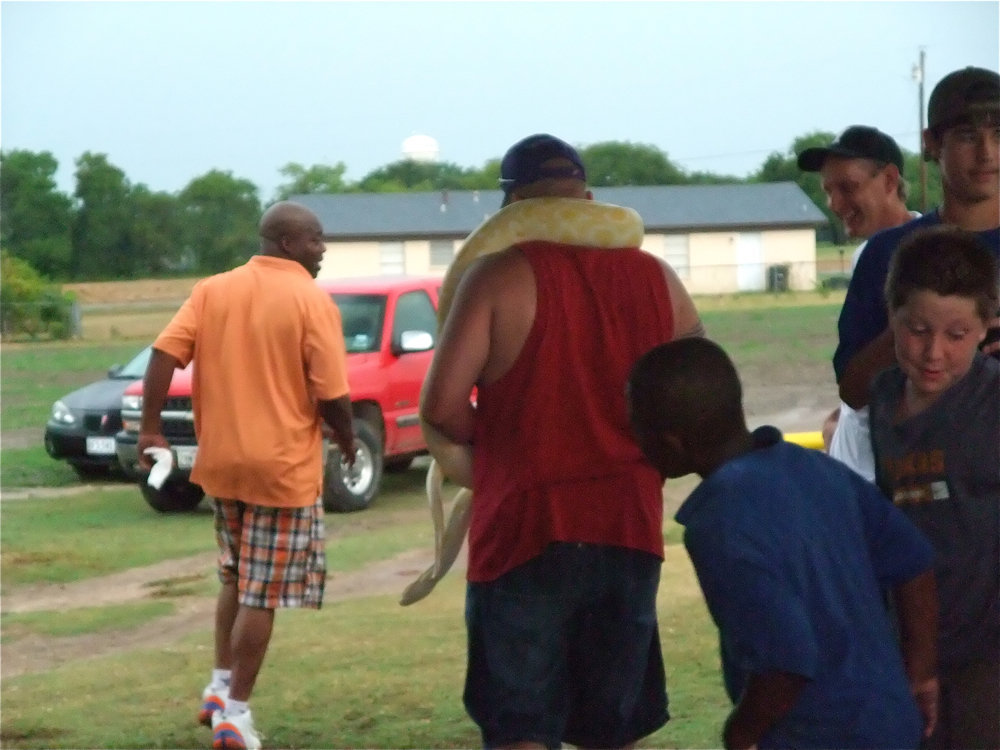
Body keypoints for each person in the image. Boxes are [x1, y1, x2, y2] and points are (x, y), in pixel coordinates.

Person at [419, 133, 704, 749]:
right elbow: (697, 392)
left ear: (511, 204)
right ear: (589, 198)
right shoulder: (658, 278)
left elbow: (440, 407)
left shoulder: (496, 275)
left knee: (522, 725)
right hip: (627, 526)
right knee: (611, 726)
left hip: (525, 527)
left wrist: (503, 446)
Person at [626, 337, 939, 750]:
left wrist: (741, 733)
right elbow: (914, 560)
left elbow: (786, 660)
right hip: (890, 721)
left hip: (817, 735)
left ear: (671, 443)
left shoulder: (719, 525)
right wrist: (920, 673)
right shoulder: (813, 468)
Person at [137, 201, 356, 750]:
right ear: (287, 243)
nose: (322, 247)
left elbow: (164, 353)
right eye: (315, 238)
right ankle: (235, 714)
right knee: (262, 594)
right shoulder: (311, 299)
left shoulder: (213, 289)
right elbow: (332, 393)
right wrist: (349, 438)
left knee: (235, 579)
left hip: (223, 464)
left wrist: (150, 430)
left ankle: (216, 688)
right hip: (281, 469)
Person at [868, 226, 1000, 749]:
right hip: (907, 640)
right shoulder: (881, 398)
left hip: (986, 649)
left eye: (956, 334)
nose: (934, 352)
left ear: (986, 327)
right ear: (891, 319)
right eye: (917, 329)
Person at [835, 66, 1000, 416]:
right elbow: (852, 389)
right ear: (931, 143)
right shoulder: (888, 253)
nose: (987, 153)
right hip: (925, 464)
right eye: (968, 136)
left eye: (999, 133)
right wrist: (915, 326)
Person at [797, 126, 919, 479]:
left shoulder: (911, 255)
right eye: (829, 191)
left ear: (890, 180)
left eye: (849, 188)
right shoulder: (869, 255)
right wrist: (843, 419)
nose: (835, 204)